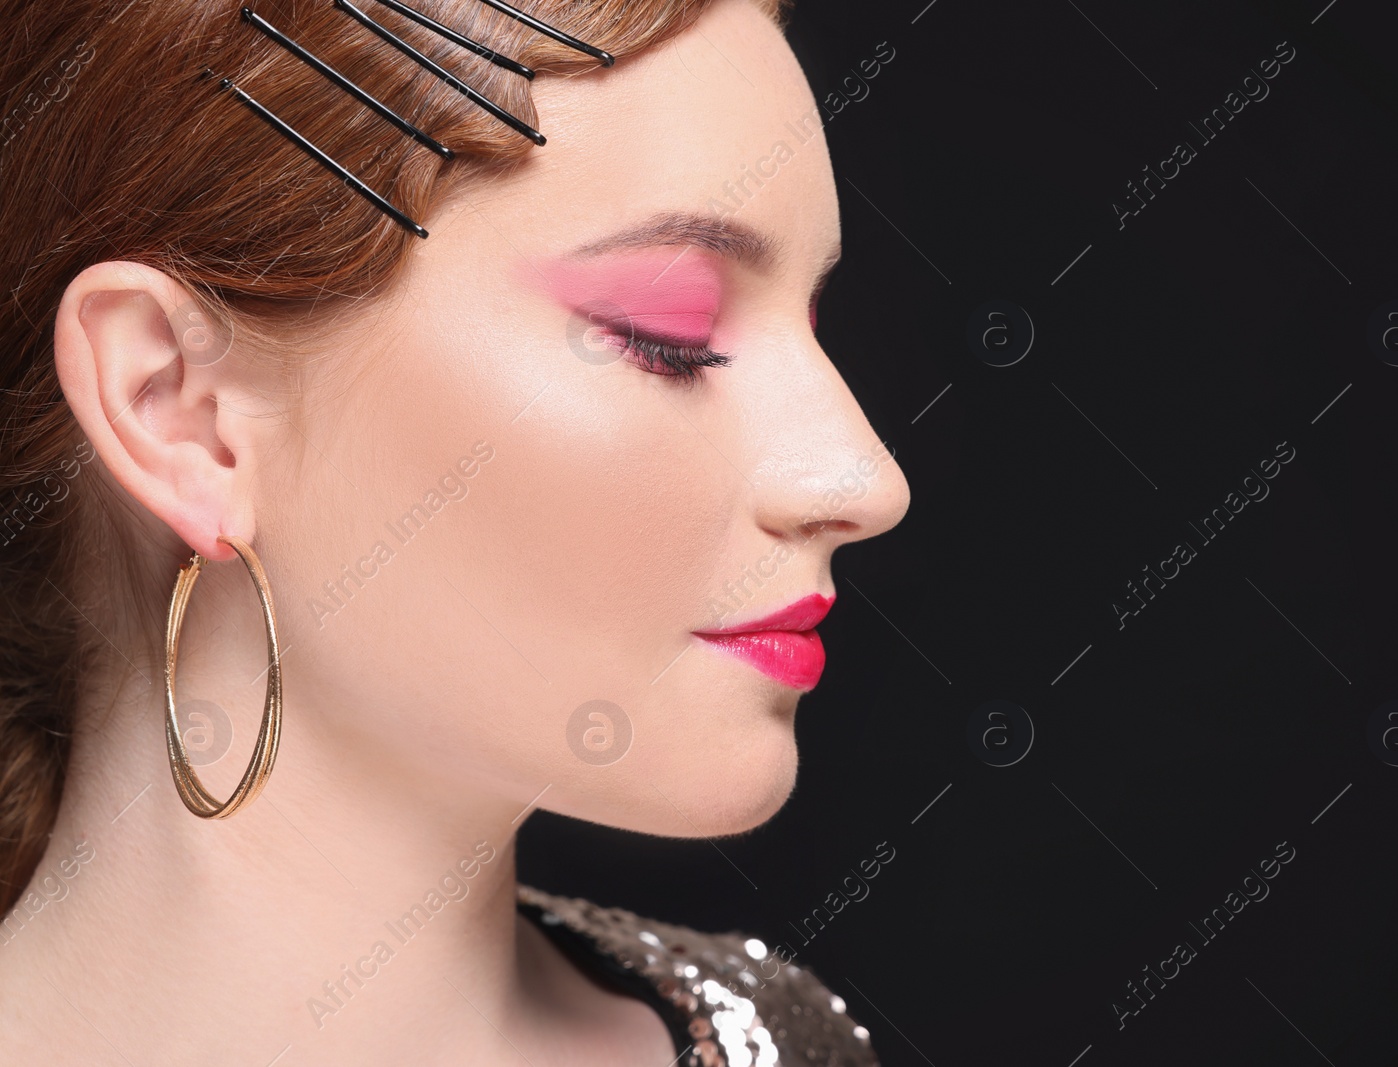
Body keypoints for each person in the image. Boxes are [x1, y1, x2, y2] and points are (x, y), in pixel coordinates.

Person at [0, 0, 911, 1063]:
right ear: (179, 408)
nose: (863, 477)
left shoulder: (782, 1040)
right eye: (670, 334)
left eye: (809, 320)